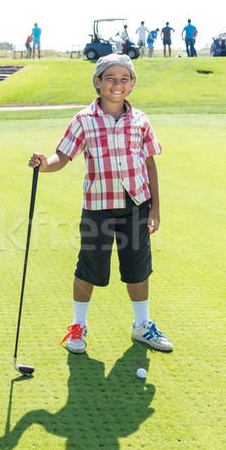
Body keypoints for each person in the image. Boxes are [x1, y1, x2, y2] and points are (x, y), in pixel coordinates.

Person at [28, 53, 172, 354]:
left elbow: (150, 164)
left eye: (123, 79)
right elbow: (63, 157)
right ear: (98, 82)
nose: (116, 84)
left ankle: (142, 325)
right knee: (89, 267)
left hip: (137, 205)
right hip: (98, 208)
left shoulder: (140, 120)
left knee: (138, 267)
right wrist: (44, 164)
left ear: (131, 84)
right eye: (110, 78)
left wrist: (155, 208)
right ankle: (78, 326)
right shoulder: (83, 120)